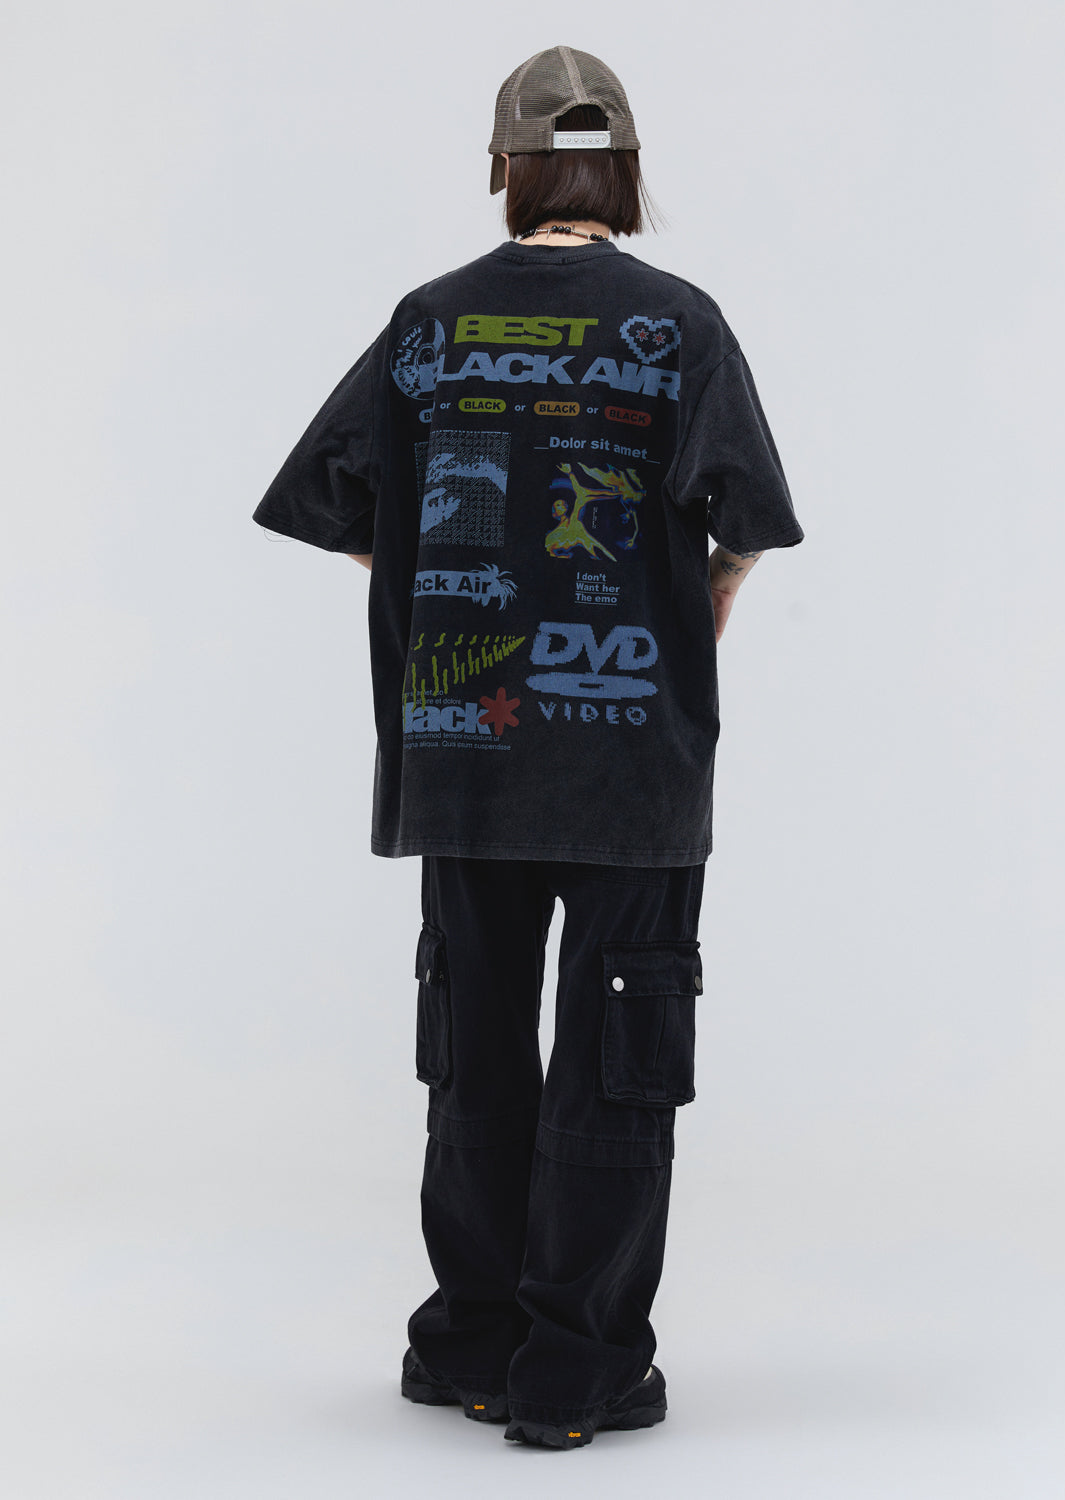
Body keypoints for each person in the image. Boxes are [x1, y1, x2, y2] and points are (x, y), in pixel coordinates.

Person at [252, 44, 804, 1450]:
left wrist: (437, 572)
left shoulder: (431, 322)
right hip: (629, 756)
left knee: (478, 1048)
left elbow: (325, 497)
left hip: (465, 740)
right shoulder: (675, 324)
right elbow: (748, 512)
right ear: (628, 174)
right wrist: (707, 592)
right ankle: (575, 1369)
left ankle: (472, 1346)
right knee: (618, 1049)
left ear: (505, 168)